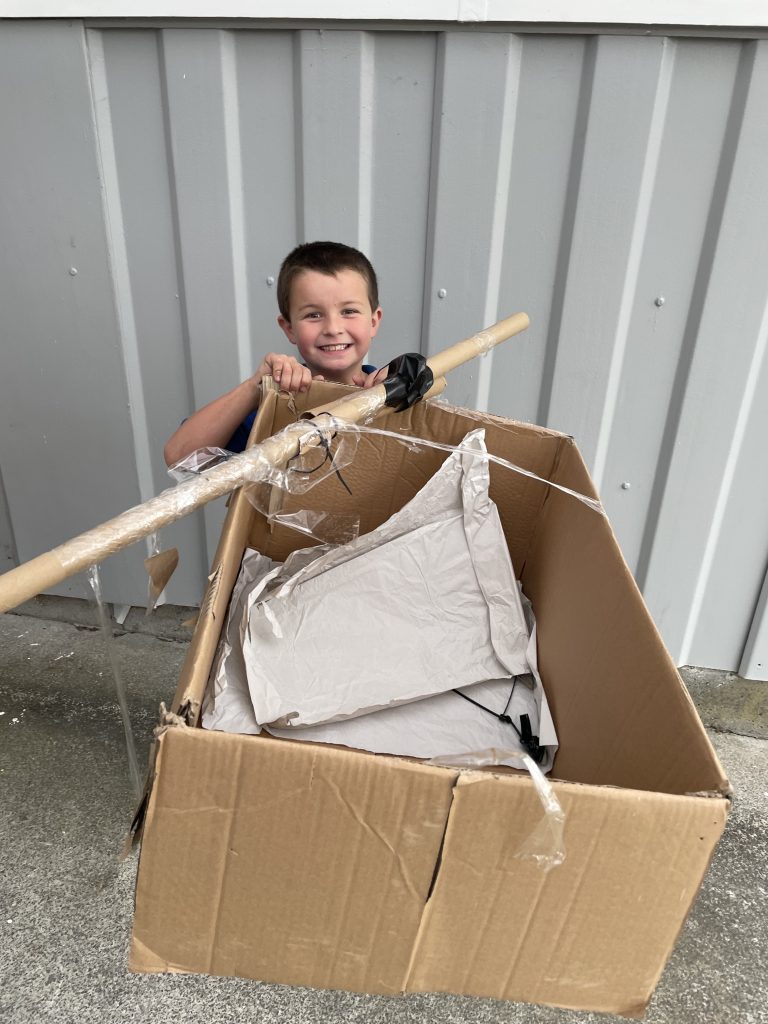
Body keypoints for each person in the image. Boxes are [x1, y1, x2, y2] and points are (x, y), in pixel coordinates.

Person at [163, 241, 387, 466]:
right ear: (289, 328)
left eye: (349, 311)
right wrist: (255, 388)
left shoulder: (392, 394)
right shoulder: (278, 403)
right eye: (313, 315)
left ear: (374, 321)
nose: (333, 328)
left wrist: (403, 391)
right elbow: (180, 458)